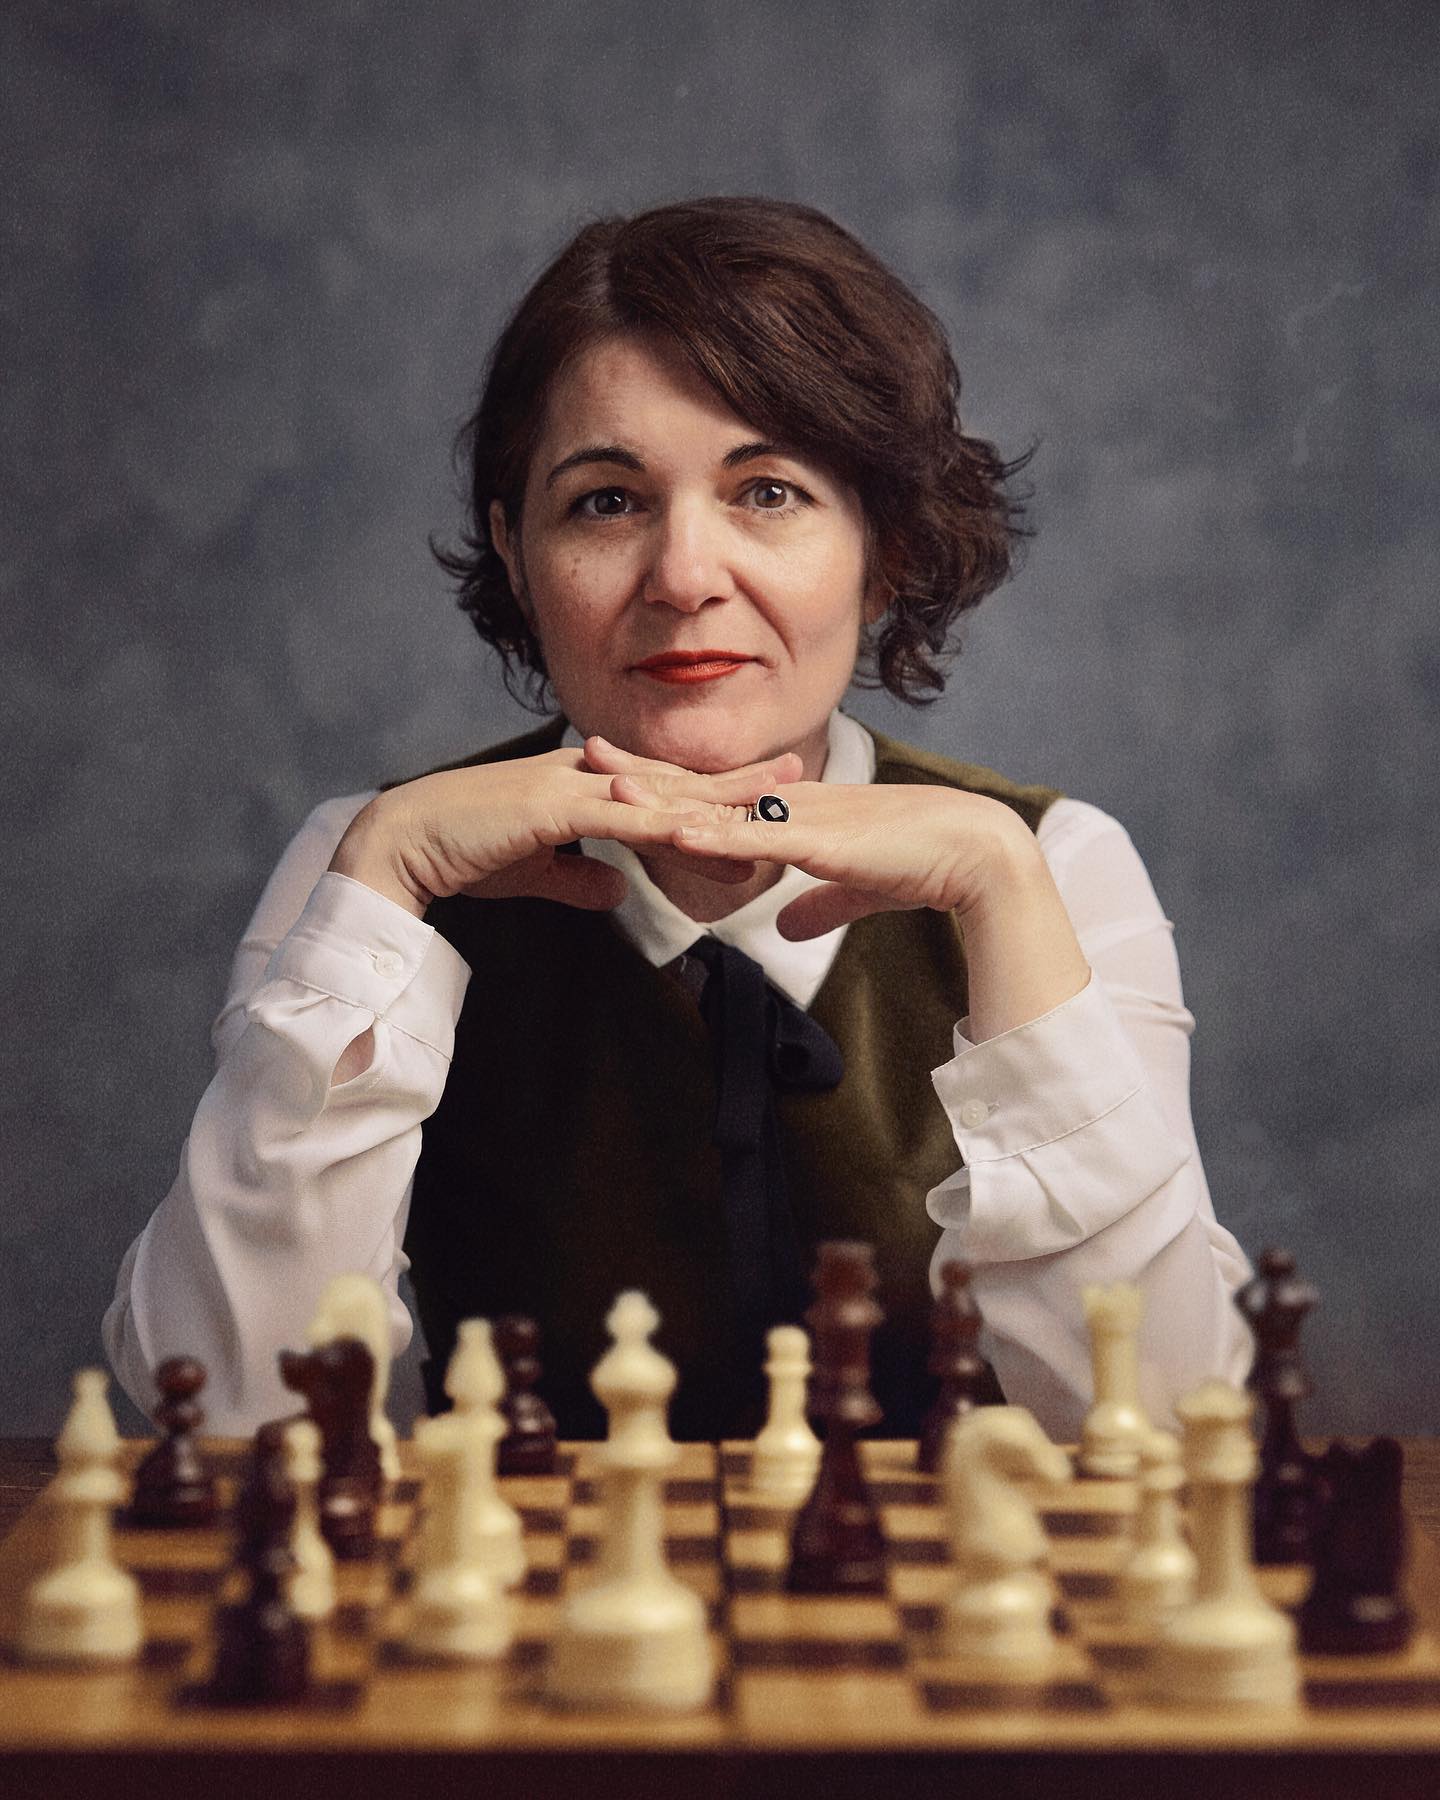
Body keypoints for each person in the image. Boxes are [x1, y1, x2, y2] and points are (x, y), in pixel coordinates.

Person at [103, 196, 1252, 1443]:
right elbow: (218, 1418)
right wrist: (375, 888)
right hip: (535, 1624)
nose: (687, 576)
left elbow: (1177, 1429)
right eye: (606, 502)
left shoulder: (1059, 863)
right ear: (516, 547)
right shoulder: (370, 861)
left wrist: (1002, 891)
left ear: (887, 549)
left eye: (769, 491)